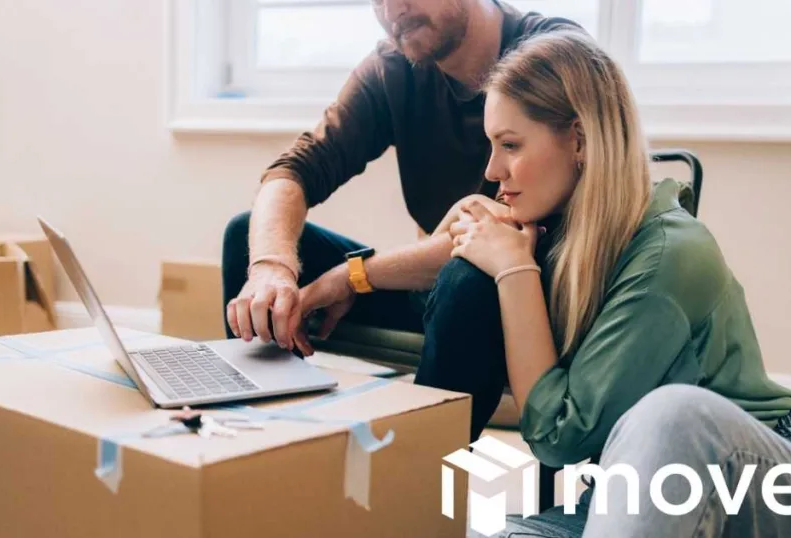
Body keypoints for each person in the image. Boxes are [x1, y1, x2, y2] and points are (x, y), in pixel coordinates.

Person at [442, 29, 791, 538]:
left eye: (510, 145)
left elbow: (560, 436)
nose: (492, 169)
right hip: (636, 497)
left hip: (773, 490)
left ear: (580, 140)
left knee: (672, 415)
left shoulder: (668, 253)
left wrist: (514, 272)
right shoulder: (557, 239)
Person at [222, 0, 580, 440]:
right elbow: (295, 170)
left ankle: (419, 470)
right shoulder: (393, 68)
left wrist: (353, 275)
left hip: (518, 298)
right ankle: (258, 447)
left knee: (468, 278)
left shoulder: (552, 53)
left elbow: (499, 238)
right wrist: (271, 267)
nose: (394, 9)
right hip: (434, 284)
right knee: (245, 236)